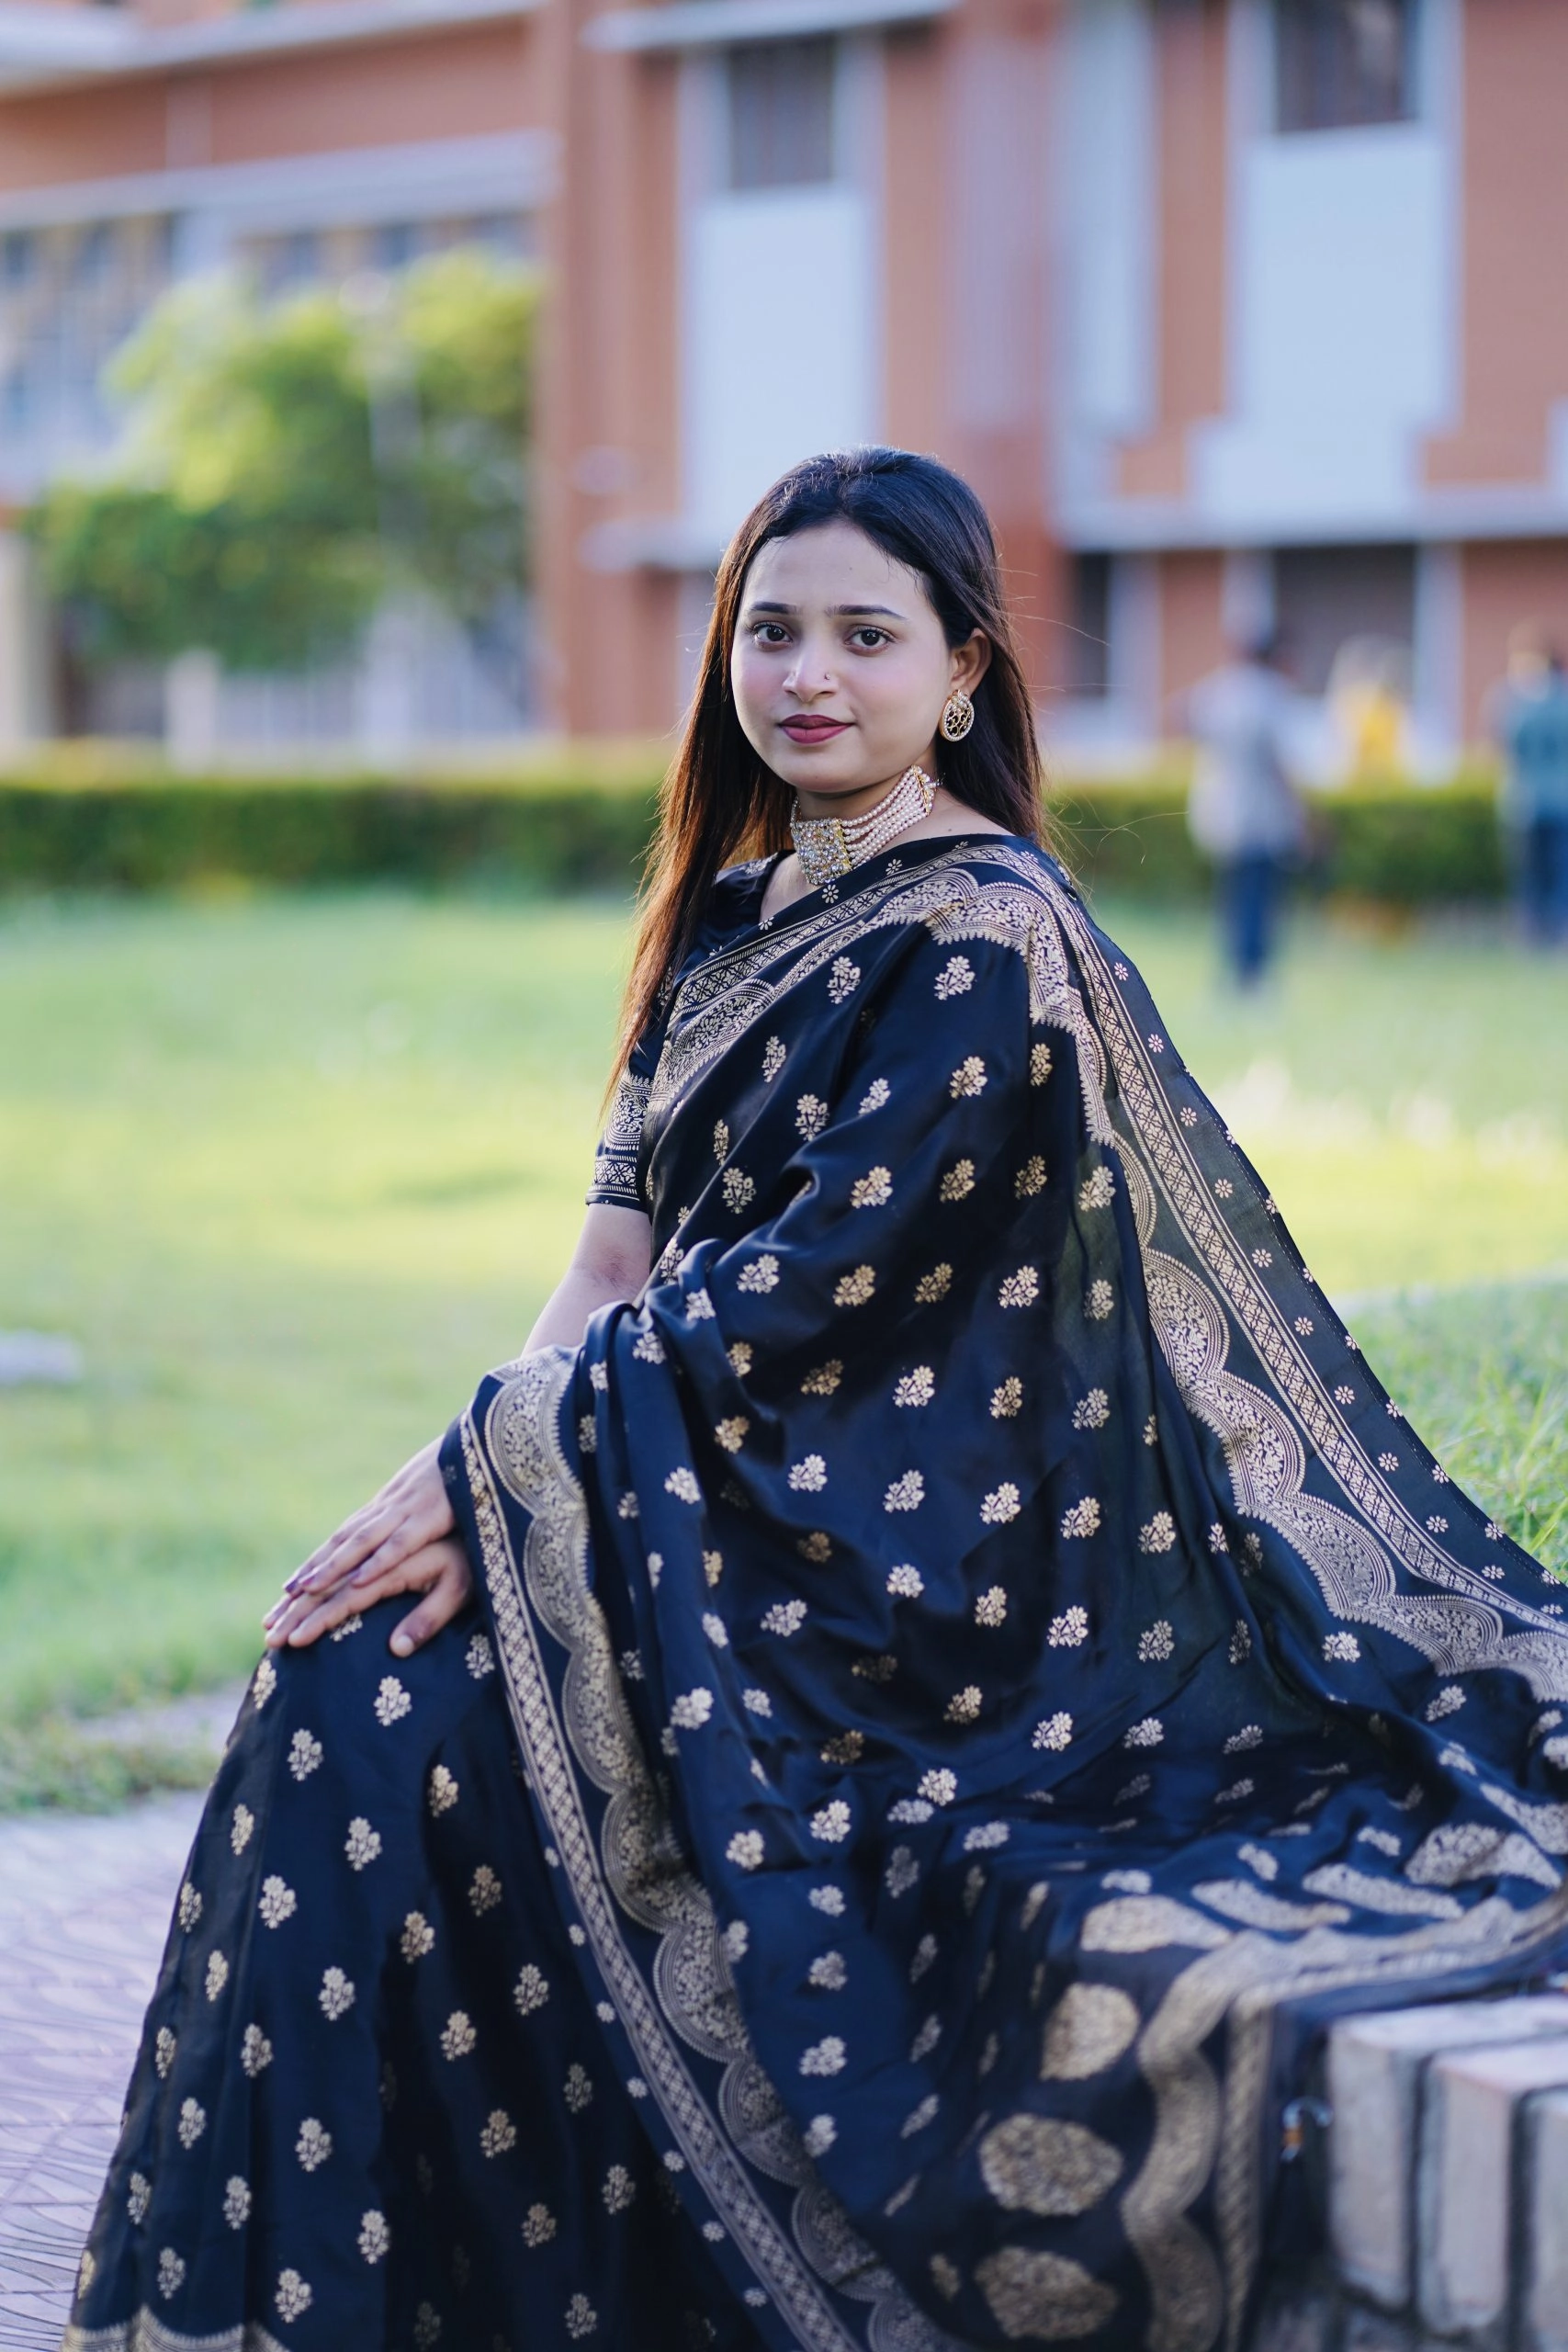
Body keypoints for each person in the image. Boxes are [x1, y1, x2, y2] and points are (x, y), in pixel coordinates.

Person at [65, 450, 1568, 2352]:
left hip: (897, 1574)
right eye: (770, 630)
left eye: (866, 636)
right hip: (677, 1486)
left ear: (959, 673)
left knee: (391, 1726)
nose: (808, 676)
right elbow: (611, 1269)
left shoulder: (990, 934)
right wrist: (447, 1480)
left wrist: (509, 1475)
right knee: (344, 1672)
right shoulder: (721, 915)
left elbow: (801, 1306)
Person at [1184, 631, 1306, 989]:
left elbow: (1186, 721)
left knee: (1234, 897)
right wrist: (1301, 814)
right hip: (1260, 816)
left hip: (1220, 813)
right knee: (1259, 897)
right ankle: (1253, 975)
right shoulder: (1269, 695)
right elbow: (1280, 762)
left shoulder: (1220, 691)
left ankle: (1235, 971)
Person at [1490, 626, 1568, 946]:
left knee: (1550, 871)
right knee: (1537, 872)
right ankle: (1538, 932)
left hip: (1543, 801)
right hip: (1538, 801)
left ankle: (1547, 931)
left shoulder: (1519, 703)